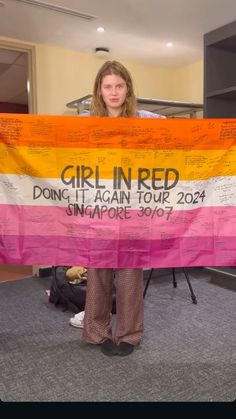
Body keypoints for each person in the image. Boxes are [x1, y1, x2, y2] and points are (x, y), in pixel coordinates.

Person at [82, 60, 165, 356]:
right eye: (108, 87)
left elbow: (177, 132)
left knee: (130, 272)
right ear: (99, 91)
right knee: (98, 272)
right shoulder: (89, 124)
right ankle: (96, 331)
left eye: (119, 85)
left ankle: (129, 334)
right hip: (100, 208)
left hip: (132, 208)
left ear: (127, 88)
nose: (114, 92)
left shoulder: (143, 118)